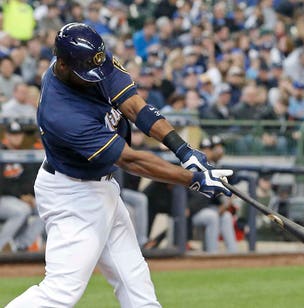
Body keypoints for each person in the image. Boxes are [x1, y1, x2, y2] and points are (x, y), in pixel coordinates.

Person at [7, 23, 232, 307]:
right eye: (85, 75)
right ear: (61, 65)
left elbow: (135, 107)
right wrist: (192, 179)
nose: (94, 79)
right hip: (72, 196)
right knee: (60, 292)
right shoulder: (60, 113)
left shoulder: (90, 58)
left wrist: (184, 150)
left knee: (134, 281)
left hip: (101, 187)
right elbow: (130, 159)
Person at [187, 136, 238, 253]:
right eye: (203, 149)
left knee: (226, 217)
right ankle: (212, 254)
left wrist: (224, 204)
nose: (206, 152)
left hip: (208, 209)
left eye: (209, 149)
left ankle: (233, 253)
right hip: (193, 212)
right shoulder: (192, 167)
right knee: (213, 216)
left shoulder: (212, 169)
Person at [0, 121, 43, 252]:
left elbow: (32, 180)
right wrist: (20, 196)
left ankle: (19, 245)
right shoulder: (2, 154)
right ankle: (2, 245)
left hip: (20, 199)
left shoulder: (27, 154)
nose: (16, 137)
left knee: (46, 209)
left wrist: (29, 196)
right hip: (3, 198)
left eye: (18, 134)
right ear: (6, 135)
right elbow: (2, 184)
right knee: (22, 210)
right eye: (13, 134)